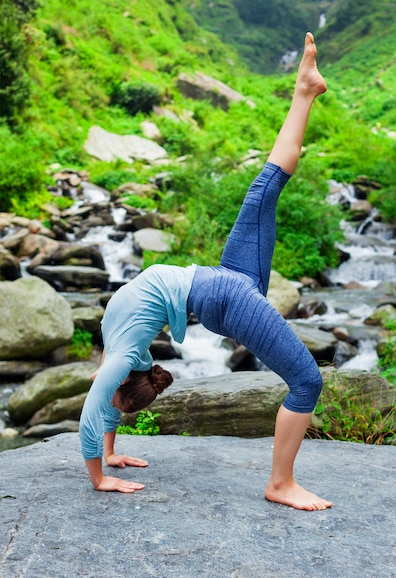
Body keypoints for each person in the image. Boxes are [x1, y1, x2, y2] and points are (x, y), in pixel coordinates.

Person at [80, 32, 332, 511]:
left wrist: (101, 474)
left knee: (266, 188)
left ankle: (304, 90)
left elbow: (95, 406)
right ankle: (280, 483)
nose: (109, 392)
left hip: (223, 291)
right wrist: (110, 451)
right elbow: (105, 395)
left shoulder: (122, 360)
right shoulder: (117, 349)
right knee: (307, 381)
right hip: (216, 284)